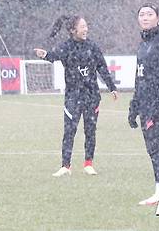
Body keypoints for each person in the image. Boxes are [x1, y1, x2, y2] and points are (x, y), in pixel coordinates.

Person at [34, 15, 119, 177]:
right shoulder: (66, 47)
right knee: (69, 131)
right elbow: (53, 56)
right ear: (73, 30)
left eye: (86, 26)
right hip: (73, 96)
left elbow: (102, 67)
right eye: (82, 27)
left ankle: (88, 163)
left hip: (92, 96)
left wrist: (112, 87)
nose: (85, 29)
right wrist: (44, 54)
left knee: (90, 130)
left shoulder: (92, 47)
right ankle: (66, 166)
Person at [128, 3, 159, 205]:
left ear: (158, 18)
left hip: (157, 105)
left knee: (155, 147)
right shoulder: (143, 44)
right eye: (142, 14)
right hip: (145, 104)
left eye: (149, 14)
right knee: (152, 147)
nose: (145, 17)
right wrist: (134, 106)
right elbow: (140, 79)